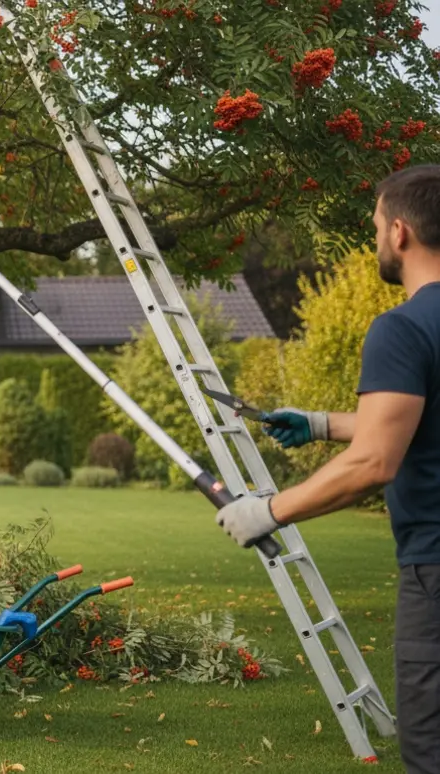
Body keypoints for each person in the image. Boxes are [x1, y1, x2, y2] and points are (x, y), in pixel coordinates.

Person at [215, 164, 440, 772]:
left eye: (374, 228)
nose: (375, 241)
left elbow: (373, 461)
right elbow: (417, 419)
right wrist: (317, 422)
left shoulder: (404, 328)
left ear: (400, 233)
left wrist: (267, 512)